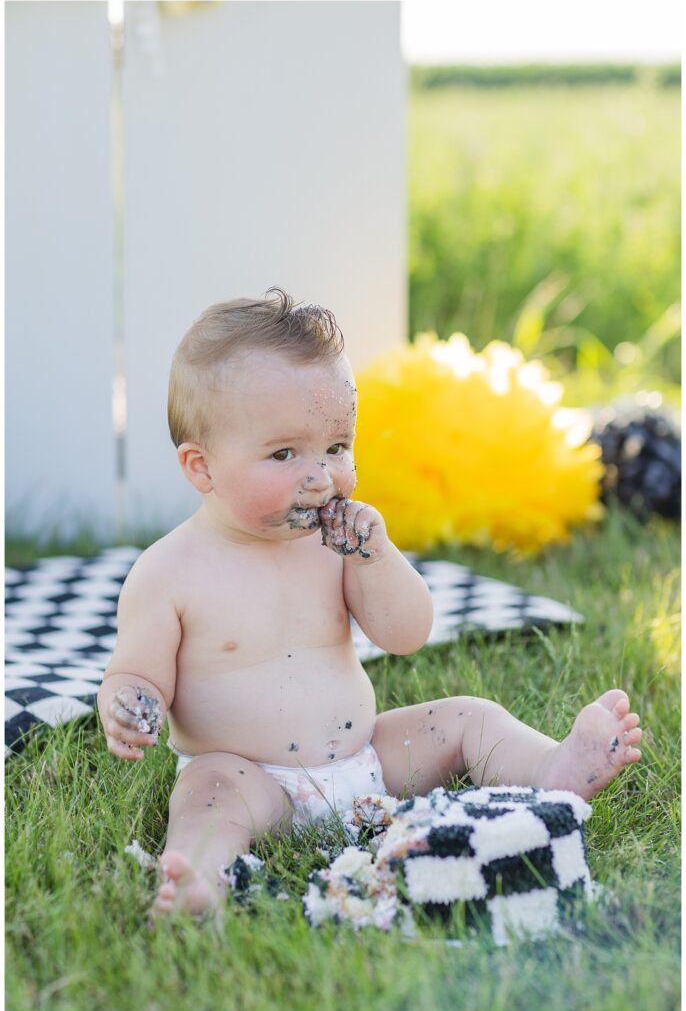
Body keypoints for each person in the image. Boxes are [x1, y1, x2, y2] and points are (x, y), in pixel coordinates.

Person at [97, 287, 642, 918]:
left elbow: (406, 633)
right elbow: (136, 672)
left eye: (336, 446)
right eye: (284, 454)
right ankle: (200, 875)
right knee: (206, 794)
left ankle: (553, 767)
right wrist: (130, 702)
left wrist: (377, 558)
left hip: (366, 764)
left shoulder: (334, 543)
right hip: (253, 779)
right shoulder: (168, 572)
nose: (320, 475)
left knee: (467, 717)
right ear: (202, 467)